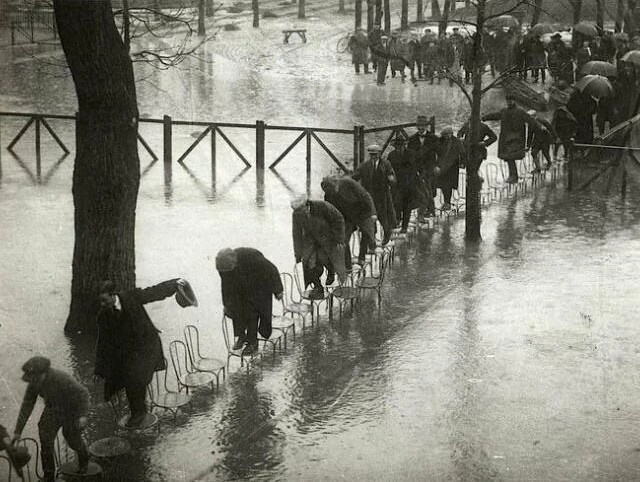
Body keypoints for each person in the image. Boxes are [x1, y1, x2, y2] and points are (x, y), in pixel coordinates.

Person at [95, 278, 195, 428]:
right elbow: (103, 343)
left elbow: (154, 292)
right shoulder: (103, 316)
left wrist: (174, 284)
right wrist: (99, 369)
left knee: (135, 378)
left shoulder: (131, 297)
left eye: (104, 300)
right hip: (128, 352)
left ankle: (139, 413)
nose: (102, 305)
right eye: (100, 302)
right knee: (125, 379)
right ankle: (138, 412)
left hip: (146, 347)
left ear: (112, 294)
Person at [12, 357, 89, 482]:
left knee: (72, 438)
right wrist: (18, 431)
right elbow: (27, 406)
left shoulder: (61, 378)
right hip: (53, 408)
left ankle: (84, 460)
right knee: (45, 438)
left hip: (71, 409)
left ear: (44, 373)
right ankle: (49, 476)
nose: (33, 382)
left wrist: (83, 415)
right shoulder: (34, 383)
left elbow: (83, 394)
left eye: (36, 378)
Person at [216, 248, 283, 356]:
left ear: (234, 262)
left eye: (229, 270)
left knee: (253, 312)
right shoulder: (224, 267)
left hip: (260, 283)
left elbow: (272, 270)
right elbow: (226, 286)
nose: (227, 273)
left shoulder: (252, 257)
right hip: (243, 285)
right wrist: (226, 305)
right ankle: (241, 337)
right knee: (235, 309)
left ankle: (253, 342)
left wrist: (278, 290)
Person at [291, 195, 346, 296]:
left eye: (302, 210)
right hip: (311, 239)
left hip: (328, 236)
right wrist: (298, 253)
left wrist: (339, 239)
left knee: (326, 258)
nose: (300, 214)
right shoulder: (296, 214)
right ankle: (317, 286)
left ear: (307, 205)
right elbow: (296, 234)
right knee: (307, 262)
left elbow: (338, 219)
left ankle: (331, 271)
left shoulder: (322, 206)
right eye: (297, 212)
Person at [482, 95, 541, 183]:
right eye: (508, 101)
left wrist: (536, 132)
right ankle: (512, 175)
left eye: (511, 101)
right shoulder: (504, 111)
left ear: (515, 101)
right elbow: (495, 115)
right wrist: (484, 117)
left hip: (516, 139)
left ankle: (514, 176)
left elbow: (532, 122)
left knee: (510, 157)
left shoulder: (520, 112)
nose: (509, 102)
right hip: (506, 139)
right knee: (508, 158)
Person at [321, 175, 377, 268]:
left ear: (336, 183)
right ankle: (348, 266)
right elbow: (329, 212)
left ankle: (362, 257)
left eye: (334, 189)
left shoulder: (348, 183)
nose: (333, 192)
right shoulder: (328, 194)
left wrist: (373, 213)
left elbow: (365, 195)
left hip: (362, 211)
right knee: (343, 240)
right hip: (346, 217)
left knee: (367, 233)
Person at [352, 144, 397, 245]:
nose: (373, 156)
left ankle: (387, 234)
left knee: (383, 217)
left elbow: (393, 178)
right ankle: (371, 240)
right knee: (370, 217)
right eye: (371, 154)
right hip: (369, 195)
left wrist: (391, 180)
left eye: (375, 154)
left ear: (380, 154)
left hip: (382, 195)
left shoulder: (386, 164)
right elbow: (355, 176)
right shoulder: (364, 165)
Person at [387, 136, 424, 232]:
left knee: (407, 206)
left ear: (404, 145)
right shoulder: (391, 155)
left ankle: (404, 227)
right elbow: (388, 169)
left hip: (409, 183)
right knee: (396, 203)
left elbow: (415, 168)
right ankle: (397, 221)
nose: (398, 148)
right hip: (397, 184)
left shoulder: (411, 154)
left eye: (400, 146)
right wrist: (390, 178)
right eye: (396, 146)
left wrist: (410, 179)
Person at [407, 115, 439, 216]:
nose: (421, 128)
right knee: (422, 189)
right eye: (419, 126)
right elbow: (409, 155)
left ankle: (429, 209)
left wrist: (437, 166)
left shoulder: (433, 138)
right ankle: (428, 209)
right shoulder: (412, 139)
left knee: (428, 187)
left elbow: (440, 153)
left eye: (423, 126)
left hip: (430, 167)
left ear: (426, 126)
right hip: (418, 168)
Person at [435, 126, 464, 210]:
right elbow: (436, 151)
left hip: (452, 167)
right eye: (444, 135)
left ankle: (447, 203)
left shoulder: (456, 142)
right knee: (443, 185)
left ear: (451, 134)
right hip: (442, 166)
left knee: (449, 185)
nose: (446, 137)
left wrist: (462, 163)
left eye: (447, 135)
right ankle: (446, 202)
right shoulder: (440, 141)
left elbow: (462, 152)